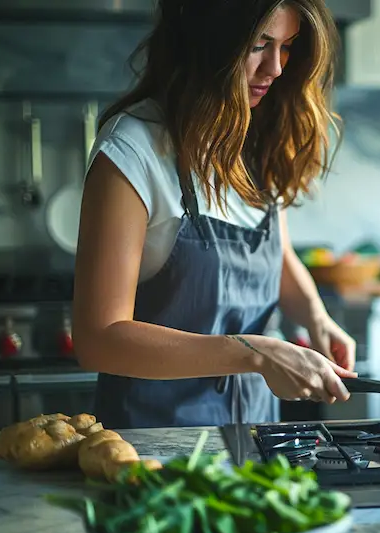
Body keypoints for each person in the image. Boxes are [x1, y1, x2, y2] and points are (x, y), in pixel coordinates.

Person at [72, 0, 357, 429]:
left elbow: (275, 254)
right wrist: (255, 353)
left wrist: (316, 317)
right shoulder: (132, 151)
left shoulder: (256, 133)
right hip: (156, 446)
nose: (276, 68)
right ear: (206, 42)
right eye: (261, 44)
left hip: (257, 435)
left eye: (287, 46)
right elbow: (98, 339)